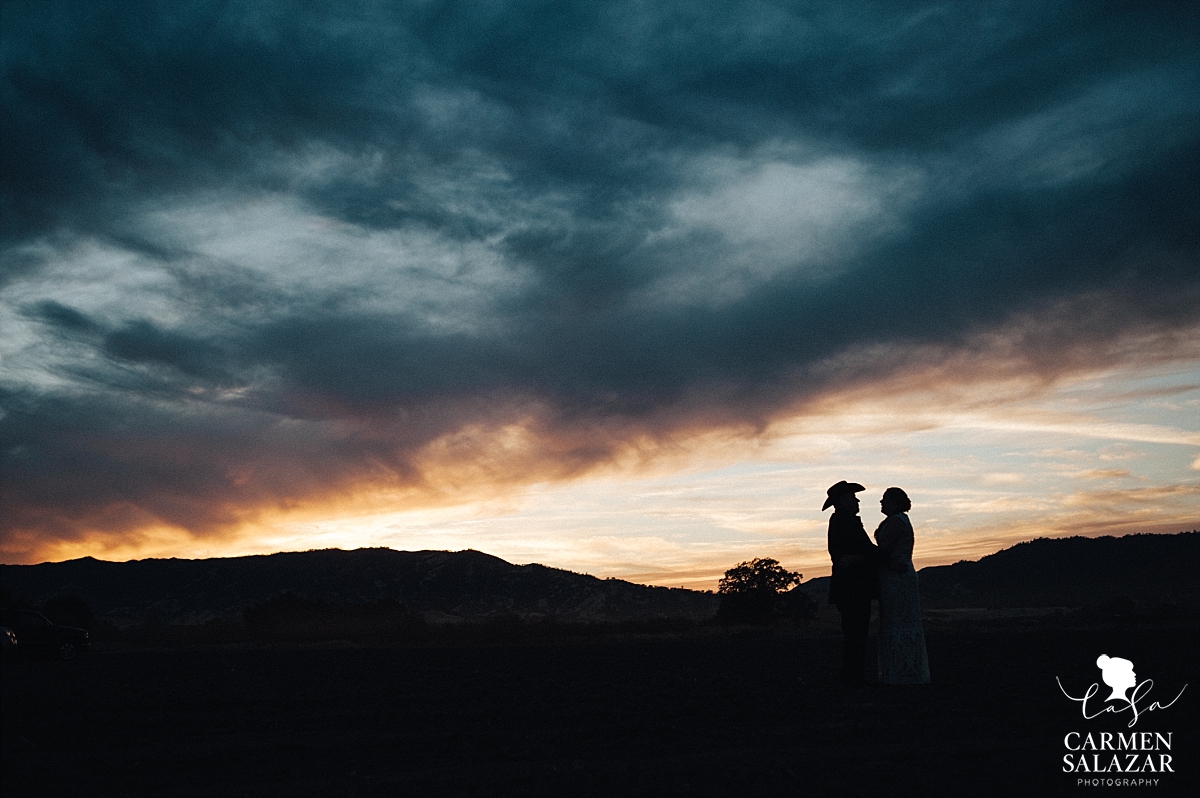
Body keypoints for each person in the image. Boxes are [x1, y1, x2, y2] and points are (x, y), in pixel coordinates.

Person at [873, 487, 931, 685]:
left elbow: (884, 551)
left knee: (899, 623)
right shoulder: (896, 521)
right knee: (894, 622)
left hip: (897, 577)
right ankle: (901, 671)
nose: (881, 502)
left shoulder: (897, 521)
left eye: (885, 499)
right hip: (892, 577)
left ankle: (904, 672)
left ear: (895, 502)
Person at [824, 480, 878, 684]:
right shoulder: (845, 521)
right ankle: (854, 677)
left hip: (849, 587)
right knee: (856, 633)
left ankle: (852, 676)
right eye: (853, 497)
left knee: (854, 633)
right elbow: (866, 549)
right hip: (854, 587)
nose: (857, 501)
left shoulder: (841, 521)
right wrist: (887, 555)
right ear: (842, 501)